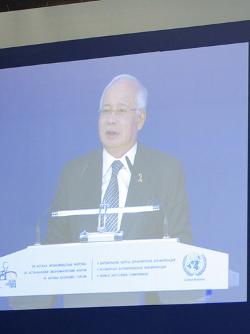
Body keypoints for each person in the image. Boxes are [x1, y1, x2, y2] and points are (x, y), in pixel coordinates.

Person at [44, 74, 192, 245]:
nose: (111, 120)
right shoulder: (74, 173)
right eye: (106, 111)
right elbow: (54, 243)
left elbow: (181, 241)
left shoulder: (166, 171)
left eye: (121, 111)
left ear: (140, 118)